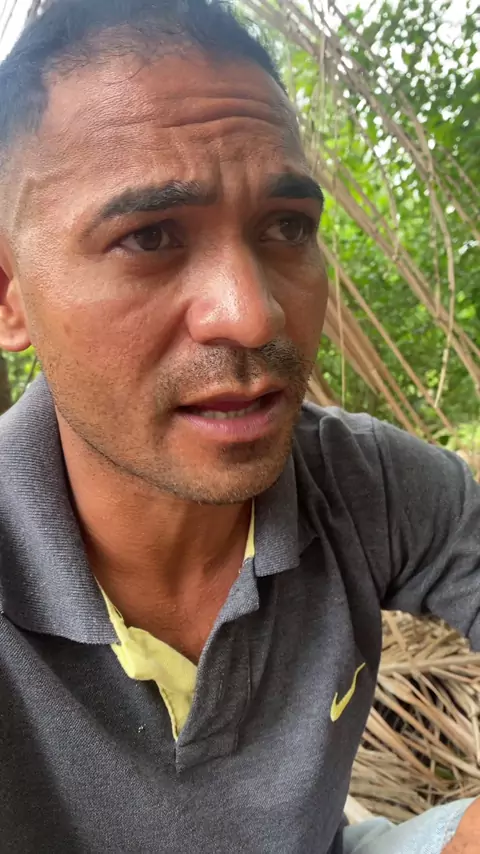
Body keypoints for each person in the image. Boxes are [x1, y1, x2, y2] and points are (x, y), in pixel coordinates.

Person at [0, 0, 478, 851]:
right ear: (10, 296)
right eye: (150, 235)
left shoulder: (366, 485)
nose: (254, 316)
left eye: (287, 227)